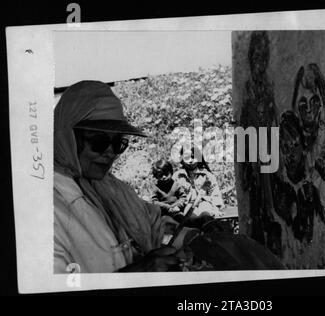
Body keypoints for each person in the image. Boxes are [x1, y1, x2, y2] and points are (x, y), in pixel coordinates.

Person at [54, 80, 196, 273]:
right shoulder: (47, 204)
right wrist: (139, 273)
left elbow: (152, 224)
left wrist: (191, 236)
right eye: (99, 142)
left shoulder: (112, 187)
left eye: (118, 143)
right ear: (68, 137)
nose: (110, 152)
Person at [173, 147, 225, 222]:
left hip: (205, 204)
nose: (190, 160)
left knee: (205, 214)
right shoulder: (177, 176)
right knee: (191, 217)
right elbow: (173, 195)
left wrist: (216, 209)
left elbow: (215, 194)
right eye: (187, 158)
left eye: (193, 157)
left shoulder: (207, 175)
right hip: (187, 206)